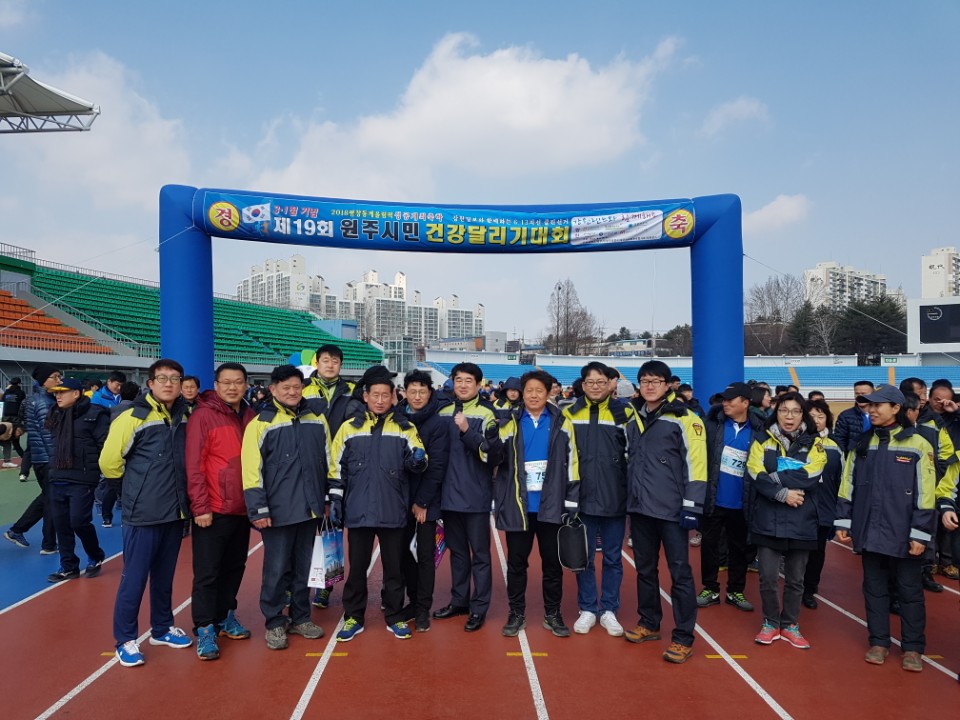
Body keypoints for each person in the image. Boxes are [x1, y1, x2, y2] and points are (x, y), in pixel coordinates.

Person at [834, 385, 938, 672]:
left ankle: (913, 648)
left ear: (896, 408)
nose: (872, 410)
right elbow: (847, 483)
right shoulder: (861, 443)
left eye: (878, 405)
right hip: (870, 531)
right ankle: (878, 642)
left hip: (905, 534)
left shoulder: (918, 445)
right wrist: (844, 520)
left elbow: (926, 493)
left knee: (909, 592)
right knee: (874, 589)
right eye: (869, 405)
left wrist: (920, 532)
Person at [101, 359, 193, 667]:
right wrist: (132, 492)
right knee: (134, 578)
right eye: (162, 378)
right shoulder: (132, 417)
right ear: (150, 383)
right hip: (142, 514)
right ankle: (125, 639)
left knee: (164, 578)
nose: (169, 384)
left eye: (175, 379)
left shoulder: (184, 415)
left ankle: (162, 628)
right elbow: (109, 462)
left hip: (174, 513)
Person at [328, 366, 428, 642]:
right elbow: (335, 468)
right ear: (365, 396)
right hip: (358, 511)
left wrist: (418, 460)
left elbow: (420, 461)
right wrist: (335, 499)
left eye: (386, 395)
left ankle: (394, 616)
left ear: (394, 396)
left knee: (394, 570)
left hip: (392, 510)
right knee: (357, 569)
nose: (381, 400)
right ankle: (353, 616)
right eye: (375, 395)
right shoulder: (348, 428)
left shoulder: (406, 428)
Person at [622, 360, 707, 664]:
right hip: (640, 508)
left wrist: (692, 506)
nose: (650, 386)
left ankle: (683, 637)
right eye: (644, 381)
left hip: (673, 510)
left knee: (680, 573)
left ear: (668, 384)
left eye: (656, 381)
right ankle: (649, 623)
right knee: (645, 570)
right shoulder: (633, 417)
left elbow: (697, 464)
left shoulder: (685, 418)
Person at [242, 365, 329, 651]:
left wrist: (327, 499)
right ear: (273, 390)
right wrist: (259, 509)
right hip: (278, 511)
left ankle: (301, 617)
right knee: (277, 569)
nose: (292, 392)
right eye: (286, 387)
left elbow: (328, 459)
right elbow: (251, 470)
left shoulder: (316, 418)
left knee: (304, 567)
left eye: (296, 387)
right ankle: (274, 621)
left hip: (310, 508)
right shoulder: (260, 423)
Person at [496, 370, 579, 638]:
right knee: (516, 563)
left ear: (549, 392)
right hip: (519, 506)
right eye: (529, 390)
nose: (533, 395)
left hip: (551, 506)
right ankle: (516, 612)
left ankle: (552, 613)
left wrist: (571, 500)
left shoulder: (562, 422)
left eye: (539, 391)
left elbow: (573, 463)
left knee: (552, 564)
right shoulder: (510, 421)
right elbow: (494, 455)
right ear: (522, 393)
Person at [186, 362, 256, 661]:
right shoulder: (203, 416)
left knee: (234, 567)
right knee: (207, 572)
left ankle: (226, 615)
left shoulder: (251, 415)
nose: (232, 387)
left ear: (246, 385)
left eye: (238, 382)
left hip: (242, 507)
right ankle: (205, 627)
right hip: (213, 509)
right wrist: (201, 507)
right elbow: (194, 465)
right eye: (226, 382)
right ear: (216, 385)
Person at [745, 391, 826, 650]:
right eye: (783, 410)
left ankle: (790, 624)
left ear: (803, 415)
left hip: (802, 519)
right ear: (776, 412)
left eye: (795, 411)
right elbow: (754, 473)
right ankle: (770, 622)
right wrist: (782, 494)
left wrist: (776, 477)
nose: (789, 416)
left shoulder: (814, 443)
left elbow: (812, 474)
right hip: (768, 519)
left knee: (795, 580)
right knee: (768, 578)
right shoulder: (761, 439)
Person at [562, 361, 632, 637]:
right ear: (583, 385)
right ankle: (588, 608)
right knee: (585, 558)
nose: (595, 387)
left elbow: (633, 455)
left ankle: (610, 609)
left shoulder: (625, 413)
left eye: (601, 382)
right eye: (590, 382)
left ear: (610, 384)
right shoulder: (569, 413)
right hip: (582, 498)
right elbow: (565, 457)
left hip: (616, 497)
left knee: (613, 558)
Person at [433, 362, 504, 632]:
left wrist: (466, 431)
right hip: (448, 496)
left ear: (478, 384)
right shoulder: (443, 412)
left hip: (475, 496)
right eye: (458, 380)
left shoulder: (487, 414)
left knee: (480, 555)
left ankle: (479, 607)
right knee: (458, 553)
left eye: (468, 381)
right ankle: (459, 601)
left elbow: (492, 455)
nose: (462, 385)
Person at [302, 343, 361, 610]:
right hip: (309, 467)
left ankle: (326, 586)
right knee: (304, 530)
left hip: (341, 467)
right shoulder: (303, 389)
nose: (330, 365)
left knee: (332, 530)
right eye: (325, 360)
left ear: (340, 364)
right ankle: (297, 586)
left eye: (335, 361)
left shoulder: (352, 391)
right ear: (317, 362)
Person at [697, 382, 764, 613]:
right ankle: (710, 588)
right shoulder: (711, 425)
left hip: (743, 501)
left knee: (740, 548)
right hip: (713, 499)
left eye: (730, 399)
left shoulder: (760, 430)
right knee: (709, 547)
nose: (725, 403)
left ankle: (736, 590)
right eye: (723, 399)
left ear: (745, 403)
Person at [397, 369, 451, 633]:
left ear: (430, 393)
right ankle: (411, 600)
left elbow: (437, 467)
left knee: (425, 556)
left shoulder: (438, 424)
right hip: (398, 500)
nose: (417, 396)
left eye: (422, 391)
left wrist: (422, 502)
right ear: (404, 393)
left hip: (426, 502)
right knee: (402, 553)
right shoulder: (396, 419)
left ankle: (422, 609)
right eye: (412, 391)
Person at [45, 377, 110, 582]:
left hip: (82, 478)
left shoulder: (95, 415)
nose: (57, 396)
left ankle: (95, 555)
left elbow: (104, 445)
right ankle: (68, 566)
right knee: (61, 525)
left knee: (79, 522)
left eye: (62, 392)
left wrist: (101, 471)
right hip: (57, 477)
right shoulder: (54, 415)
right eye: (56, 392)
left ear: (76, 393)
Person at [3, 364, 62, 554]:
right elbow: (48, 435)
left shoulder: (36, 399)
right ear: (44, 381)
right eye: (55, 377)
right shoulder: (45, 402)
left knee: (48, 497)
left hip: (40, 457)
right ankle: (47, 543)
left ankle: (19, 531)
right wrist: (57, 460)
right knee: (52, 499)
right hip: (47, 459)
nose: (59, 380)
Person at [801, 398, 844, 609]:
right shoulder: (796, 443)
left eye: (821, 416)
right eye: (812, 416)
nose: (817, 420)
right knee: (798, 552)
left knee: (817, 552)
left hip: (824, 509)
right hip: (799, 507)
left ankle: (809, 589)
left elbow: (842, 481)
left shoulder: (835, 448)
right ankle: (796, 586)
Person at [100, 381, 143, 528]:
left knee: (110, 486)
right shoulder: (138, 412)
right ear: (137, 394)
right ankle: (128, 516)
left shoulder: (112, 410)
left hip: (111, 449)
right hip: (130, 452)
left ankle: (106, 517)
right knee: (128, 488)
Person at [833, 380, 874, 453]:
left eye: (864, 394)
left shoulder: (881, 415)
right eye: (857, 394)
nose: (860, 396)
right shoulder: (845, 416)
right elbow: (839, 440)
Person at [1, 376, 26, 466]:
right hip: (15, 417)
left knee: (5, 436)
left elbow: (3, 400)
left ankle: (7, 458)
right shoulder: (21, 392)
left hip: (5, 417)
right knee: (15, 440)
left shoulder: (7, 392)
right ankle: (25, 458)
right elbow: (23, 404)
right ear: (19, 384)